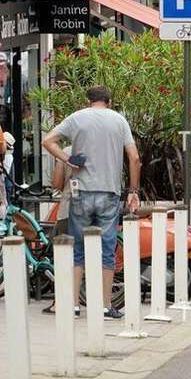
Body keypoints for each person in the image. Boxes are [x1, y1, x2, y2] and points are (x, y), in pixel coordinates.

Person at [42, 86, 140, 320]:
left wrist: (69, 159)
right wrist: (133, 190)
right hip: (108, 192)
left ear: (89, 101)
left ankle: (74, 305)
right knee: (107, 249)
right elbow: (134, 158)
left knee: (77, 249)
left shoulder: (77, 117)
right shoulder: (119, 120)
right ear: (109, 101)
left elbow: (48, 141)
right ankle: (105, 305)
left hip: (81, 191)